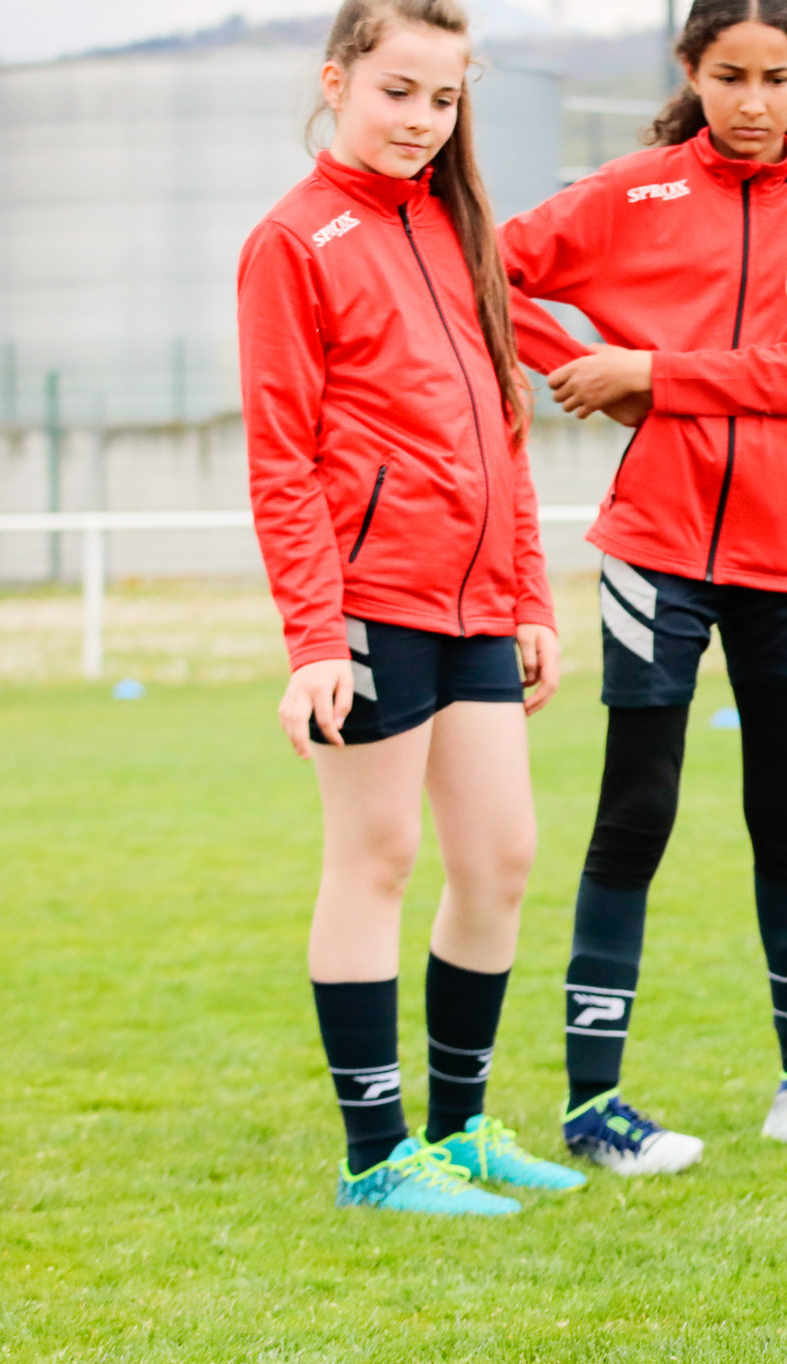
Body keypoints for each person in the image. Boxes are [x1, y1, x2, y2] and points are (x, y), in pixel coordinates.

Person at [499, 0, 787, 1172]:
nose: (753, 101)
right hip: (653, 548)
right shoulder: (633, 192)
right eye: (729, 75)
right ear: (690, 71)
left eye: (776, 76)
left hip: (786, 556)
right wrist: (578, 366)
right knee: (635, 814)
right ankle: (592, 1107)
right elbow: (483, 266)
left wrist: (650, 374)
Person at [239, 0, 583, 1215]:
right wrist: (313, 639)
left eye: (444, 98)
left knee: (500, 857)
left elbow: (505, 426)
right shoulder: (293, 240)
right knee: (377, 855)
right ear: (337, 81)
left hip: (478, 604)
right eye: (398, 91)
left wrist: (530, 593)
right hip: (371, 603)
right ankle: (377, 1157)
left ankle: (461, 1129)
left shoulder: (451, 224)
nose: (422, 119)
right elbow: (281, 457)